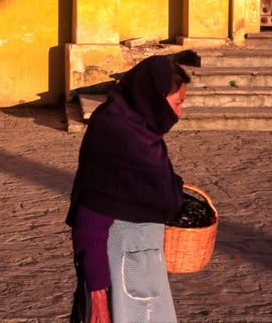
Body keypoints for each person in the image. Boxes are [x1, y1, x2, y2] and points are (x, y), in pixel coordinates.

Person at [66, 55, 189, 323]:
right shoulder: (117, 135)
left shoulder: (141, 130)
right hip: (121, 272)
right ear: (154, 97)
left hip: (145, 268)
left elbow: (157, 188)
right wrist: (98, 298)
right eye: (178, 103)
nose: (179, 113)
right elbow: (89, 221)